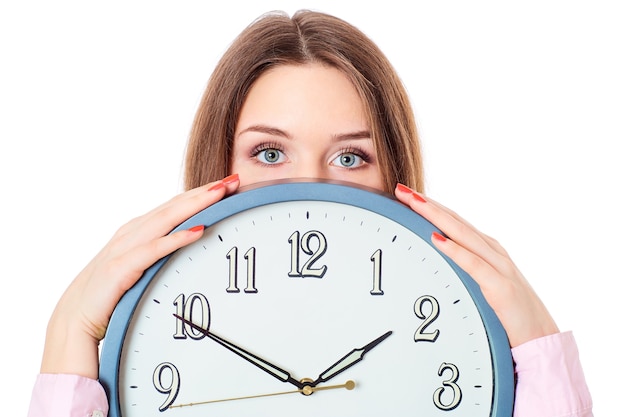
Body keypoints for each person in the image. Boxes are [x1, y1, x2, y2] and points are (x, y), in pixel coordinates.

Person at [27, 9, 593, 417]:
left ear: (393, 172)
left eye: (350, 157)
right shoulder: (158, 343)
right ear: (218, 166)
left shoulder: (450, 333)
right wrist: (71, 329)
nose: (311, 190)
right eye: (270, 153)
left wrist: (538, 344)